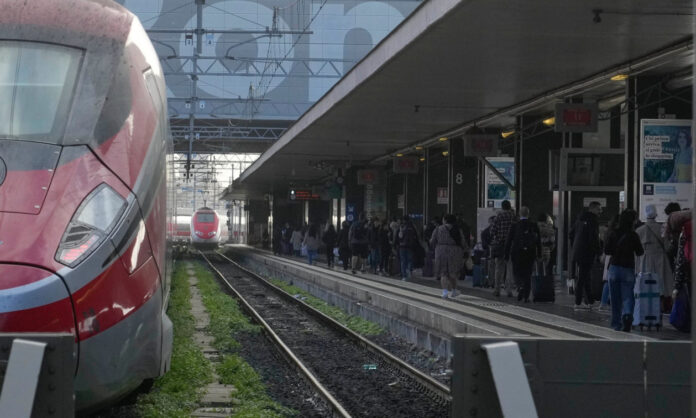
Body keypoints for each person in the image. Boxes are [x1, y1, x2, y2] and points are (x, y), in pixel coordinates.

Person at [605, 210, 644, 332]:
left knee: (615, 299)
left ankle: (616, 324)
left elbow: (607, 250)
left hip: (614, 268)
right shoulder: (633, 235)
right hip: (628, 268)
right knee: (628, 296)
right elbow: (640, 252)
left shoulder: (614, 233)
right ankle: (627, 315)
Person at [635, 205, 673, 310]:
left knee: (646, 285)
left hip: (644, 259)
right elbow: (667, 247)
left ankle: (646, 309)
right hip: (660, 259)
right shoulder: (661, 228)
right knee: (661, 285)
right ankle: (659, 308)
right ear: (656, 214)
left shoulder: (639, 230)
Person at [569, 201, 602, 309]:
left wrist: (576, 245)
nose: (600, 211)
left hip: (578, 251)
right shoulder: (593, 220)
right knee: (583, 278)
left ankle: (590, 301)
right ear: (592, 209)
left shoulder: (580, 219)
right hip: (587, 253)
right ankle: (578, 302)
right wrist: (599, 252)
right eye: (598, 209)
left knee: (586, 277)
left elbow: (571, 234)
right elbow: (594, 238)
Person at [505, 207, 541, 302]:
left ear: (519, 214)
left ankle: (520, 286)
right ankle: (526, 296)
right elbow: (538, 241)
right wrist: (539, 254)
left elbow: (508, 241)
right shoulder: (533, 225)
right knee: (528, 274)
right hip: (530, 252)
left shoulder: (514, 225)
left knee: (516, 272)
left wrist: (506, 254)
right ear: (528, 214)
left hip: (517, 252)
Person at [431, 214, 468, 298]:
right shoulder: (457, 229)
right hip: (455, 251)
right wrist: (466, 251)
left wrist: (436, 248)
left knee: (443, 273)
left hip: (441, 251)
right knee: (453, 272)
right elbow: (463, 242)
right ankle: (454, 291)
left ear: (445, 220)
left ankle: (445, 292)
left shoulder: (438, 229)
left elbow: (432, 241)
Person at [490, 200, 516, 297]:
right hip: (511, 245)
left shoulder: (499, 216)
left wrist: (497, 236)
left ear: (502, 207)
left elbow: (492, 231)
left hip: (500, 245)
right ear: (509, 207)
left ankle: (497, 289)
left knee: (499, 268)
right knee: (510, 267)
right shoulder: (514, 217)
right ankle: (509, 290)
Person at [598, 214, 619, 312]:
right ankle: (605, 303)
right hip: (613, 257)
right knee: (610, 281)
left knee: (608, 280)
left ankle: (604, 302)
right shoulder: (615, 232)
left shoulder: (608, 231)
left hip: (608, 256)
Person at [395, 215, 417, 281]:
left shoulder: (401, 227)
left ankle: (404, 275)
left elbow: (397, 237)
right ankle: (409, 270)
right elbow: (415, 236)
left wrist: (396, 244)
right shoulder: (411, 227)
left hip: (402, 246)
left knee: (403, 261)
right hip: (409, 246)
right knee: (409, 260)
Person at [537, 212, 555, 277]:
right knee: (546, 268)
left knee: (538, 268)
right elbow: (552, 242)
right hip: (546, 250)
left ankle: (538, 279)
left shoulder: (535, 227)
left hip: (537, 251)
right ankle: (545, 280)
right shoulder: (550, 229)